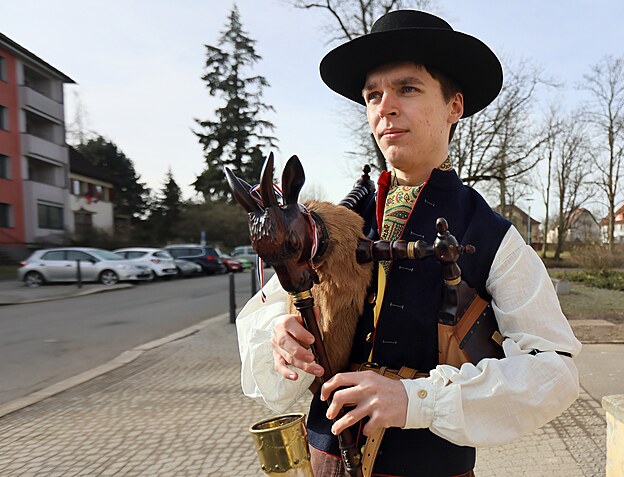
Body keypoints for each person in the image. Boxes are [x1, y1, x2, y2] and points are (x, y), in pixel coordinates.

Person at [236, 10, 581, 477]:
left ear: (454, 106)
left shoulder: (492, 235)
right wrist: (281, 335)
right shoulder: (330, 222)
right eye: (373, 95)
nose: (386, 107)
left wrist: (416, 400)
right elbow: (265, 321)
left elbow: (554, 368)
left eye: (408, 89)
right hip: (321, 461)